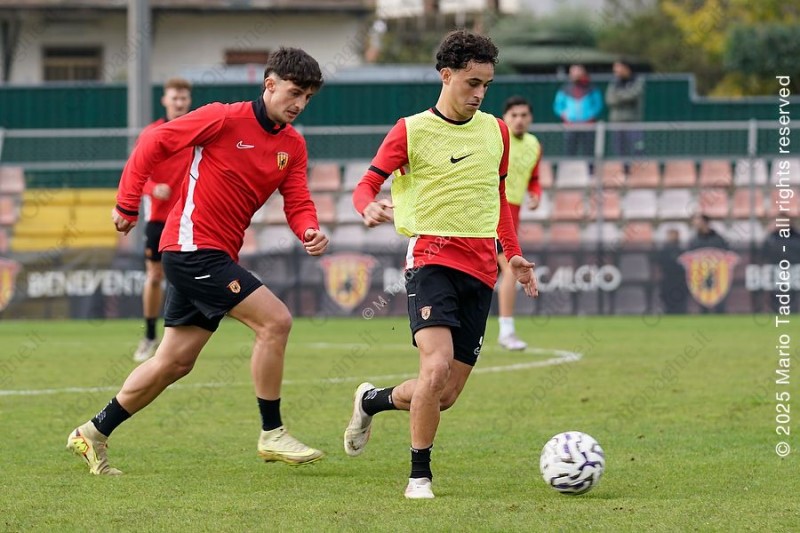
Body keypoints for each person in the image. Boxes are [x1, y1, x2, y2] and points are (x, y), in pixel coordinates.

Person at [67, 47, 329, 475]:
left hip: (213, 254)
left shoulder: (293, 146)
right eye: (294, 93)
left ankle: (92, 432)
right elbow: (153, 142)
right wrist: (128, 203)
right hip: (192, 249)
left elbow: (298, 200)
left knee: (174, 362)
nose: (300, 104)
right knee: (276, 321)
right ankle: (272, 432)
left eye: (308, 97)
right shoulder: (224, 118)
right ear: (270, 85)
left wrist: (309, 230)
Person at [344, 30, 539, 499]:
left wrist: (512, 253)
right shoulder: (410, 130)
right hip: (430, 260)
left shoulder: (496, 131)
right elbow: (365, 184)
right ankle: (419, 476)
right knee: (434, 371)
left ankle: (372, 400)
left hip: (481, 269)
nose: (479, 93)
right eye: (472, 83)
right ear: (446, 75)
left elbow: (498, 200)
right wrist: (367, 206)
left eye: (486, 85)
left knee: (445, 394)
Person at [133, 77, 194, 363]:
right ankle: (149, 336)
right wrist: (152, 188)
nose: (179, 102)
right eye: (174, 98)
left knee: (186, 278)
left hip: (190, 217)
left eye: (183, 98)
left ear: (189, 101)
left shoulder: (198, 130)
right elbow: (136, 171)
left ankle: (181, 339)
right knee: (155, 276)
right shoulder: (152, 133)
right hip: (159, 219)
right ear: (165, 100)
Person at [497, 96, 542, 350]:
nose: (519, 120)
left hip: (512, 216)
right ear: (505, 117)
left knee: (503, 272)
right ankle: (506, 331)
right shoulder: (497, 138)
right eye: (514, 115)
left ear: (531, 118)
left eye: (524, 115)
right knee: (510, 271)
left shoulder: (534, 145)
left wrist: (536, 193)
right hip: (490, 212)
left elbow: (534, 177)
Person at [553, 64, 603, 158]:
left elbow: (598, 105)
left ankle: (590, 167)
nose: (576, 74)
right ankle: (568, 166)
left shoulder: (592, 88)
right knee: (569, 150)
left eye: (578, 71)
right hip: (570, 125)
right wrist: (565, 116)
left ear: (583, 72)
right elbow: (558, 106)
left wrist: (591, 116)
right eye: (573, 72)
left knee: (588, 149)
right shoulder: (564, 89)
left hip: (588, 125)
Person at [605, 59, 645, 160]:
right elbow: (609, 100)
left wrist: (618, 95)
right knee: (619, 149)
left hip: (633, 121)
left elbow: (632, 95)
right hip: (616, 122)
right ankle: (623, 168)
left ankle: (638, 166)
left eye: (618, 68)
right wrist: (623, 96)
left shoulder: (638, 80)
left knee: (637, 147)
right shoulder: (613, 83)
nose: (615, 71)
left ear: (626, 68)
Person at [657, 228, 689, 314]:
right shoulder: (663, 251)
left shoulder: (682, 251)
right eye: (670, 235)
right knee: (668, 301)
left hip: (680, 280)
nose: (671, 237)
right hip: (668, 279)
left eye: (674, 235)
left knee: (681, 302)